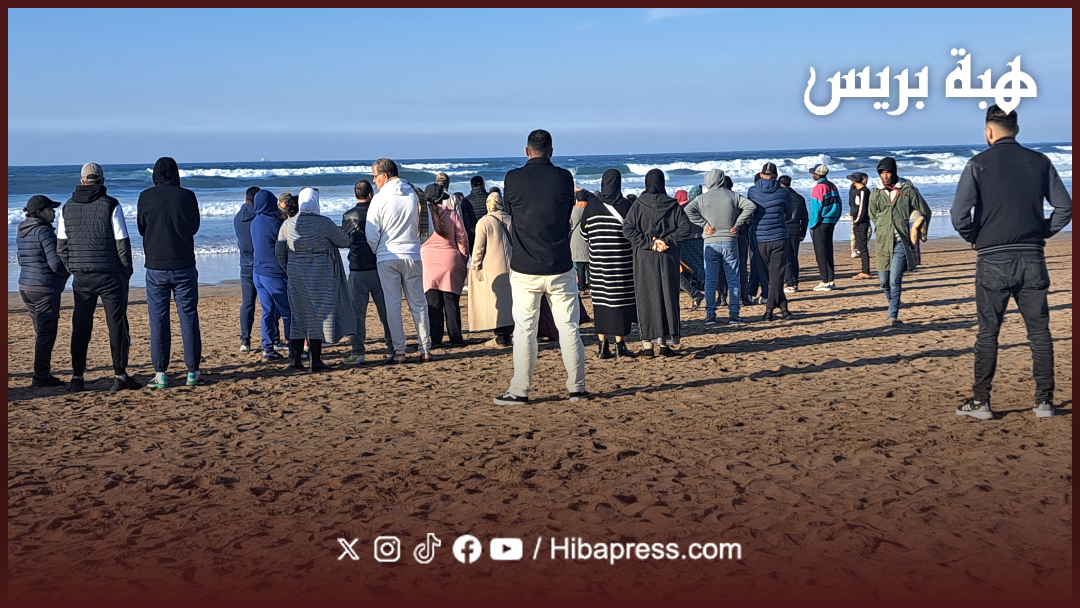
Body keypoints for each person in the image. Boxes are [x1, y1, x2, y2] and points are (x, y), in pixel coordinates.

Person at [950, 104, 1072, 420]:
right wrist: (1041, 231)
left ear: (988, 131)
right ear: (1016, 129)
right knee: (1040, 333)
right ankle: (1044, 402)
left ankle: (981, 402)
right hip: (1032, 256)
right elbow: (1064, 208)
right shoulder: (1041, 162)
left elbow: (958, 215)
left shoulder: (977, 164)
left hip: (992, 259)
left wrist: (975, 237)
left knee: (988, 332)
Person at [493, 129, 588, 404]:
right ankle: (577, 387)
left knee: (525, 331)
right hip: (559, 263)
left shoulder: (513, 178)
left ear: (526, 151)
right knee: (569, 328)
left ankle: (520, 390)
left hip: (525, 266)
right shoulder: (563, 177)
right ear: (552, 151)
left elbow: (511, 209)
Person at [57, 162, 140, 392]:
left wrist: (73, 267)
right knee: (116, 325)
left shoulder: (67, 207)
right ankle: (120, 375)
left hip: (81, 277)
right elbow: (122, 242)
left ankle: (77, 378)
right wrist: (126, 273)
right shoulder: (111, 204)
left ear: (83, 181)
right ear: (102, 180)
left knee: (81, 326)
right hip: (110, 275)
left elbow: (61, 247)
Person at [136, 157, 203, 389]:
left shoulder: (145, 197)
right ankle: (193, 372)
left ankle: (161, 373)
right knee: (188, 317)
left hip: (155, 266)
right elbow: (194, 226)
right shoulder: (187, 196)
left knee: (158, 320)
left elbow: (141, 227)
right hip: (184, 263)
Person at [276, 187, 355, 372]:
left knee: (299, 317)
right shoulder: (324, 224)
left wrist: (288, 269)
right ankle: (315, 360)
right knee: (320, 316)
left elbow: (279, 252)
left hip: (296, 275)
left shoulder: (287, 224)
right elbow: (344, 242)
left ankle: (295, 360)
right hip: (322, 275)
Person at [366, 158, 434, 364]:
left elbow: (371, 233)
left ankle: (400, 351)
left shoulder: (379, 199)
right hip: (412, 254)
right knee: (419, 304)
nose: (374, 181)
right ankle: (425, 349)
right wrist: (415, 244)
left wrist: (379, 250)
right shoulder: (417, 194)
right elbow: (428, 230)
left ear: (385, 176)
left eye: (375, 176)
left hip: (388, 257)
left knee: (393, 305)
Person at [623, 169, 692, 357]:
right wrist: (666, 241)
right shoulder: (672, 204)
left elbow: (627, 229)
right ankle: (665, 345)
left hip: (645, 258)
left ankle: (647, 346)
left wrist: (649, 243)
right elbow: (686, 228)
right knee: (667, 297)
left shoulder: (638, 205)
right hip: (667, 257)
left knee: (646, 298)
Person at [579, 169, 638, 358]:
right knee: (620, 305)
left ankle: (602, 346)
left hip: (598, 266)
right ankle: (620, 346)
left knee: (601, 305)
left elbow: (583, 233)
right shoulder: (626, 205)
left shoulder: (592, 205)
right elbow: (632, 234)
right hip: (622, 266)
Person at [685, 169, 755, 326]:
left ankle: (710, 316)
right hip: (730, 240)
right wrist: (738, 223)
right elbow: (750, 206)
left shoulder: (702, 198)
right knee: (733, 279)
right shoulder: (733, 195)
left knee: (710, 280)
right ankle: (734, 315)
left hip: (710, 242)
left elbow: (687, 210)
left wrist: (704, 225)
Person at [868, 157, 931, 328]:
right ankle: (893, 302)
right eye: (882, 173)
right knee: (883, 281)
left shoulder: (908, 190)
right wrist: (882, 225)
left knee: (895, 279)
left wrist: (919, 232)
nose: (885, 176)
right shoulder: (876, 193)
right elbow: (872, 214)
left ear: (894, 172)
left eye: (888, 172)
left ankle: (892, 314)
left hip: (901, 242)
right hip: (882, 242)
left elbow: (925, 210)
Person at [17, 195, 70, 387]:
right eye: (50, 209)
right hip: (43, 287)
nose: (54, 212)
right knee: (46, 332)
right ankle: (41, 375)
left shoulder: (22, 230)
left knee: (41, 331)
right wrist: (68, 274)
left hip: (25, 285)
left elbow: (22, 259)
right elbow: (55, 263)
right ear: (40, 212)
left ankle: (42, 372)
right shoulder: (44, 231)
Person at [341, 180, 394, 365]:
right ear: (370, 195)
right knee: (386, 312)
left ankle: (358, 351)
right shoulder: (378, 214)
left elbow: (344, 240)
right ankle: (393, 348)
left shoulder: (348, 215)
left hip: (357, 269)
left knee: (356, 314)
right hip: (379, 268)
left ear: (356, 195)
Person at [420, 183, 470, 347]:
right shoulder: (451, 214)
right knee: (451, 302)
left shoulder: (420, 217)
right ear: (442, 198)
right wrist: (462, 259)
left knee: (433, 303)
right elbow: (462, 239)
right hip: (450, 259)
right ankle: (455, 338)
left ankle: (435, 339)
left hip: (427, 261)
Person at [235, 186, 281, 352]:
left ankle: (245, 340)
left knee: (247, 304)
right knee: (270, 304)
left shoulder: (238, 217)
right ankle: (274, 339)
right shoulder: (261, 219)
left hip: (245, 265)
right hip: (261, 265)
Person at [747, 163, 793, 322]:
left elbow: (750, 211)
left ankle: (779, 309)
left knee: (772, 276)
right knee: (776, 276)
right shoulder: (783, 192)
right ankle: (772, 309)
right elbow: (790, 213)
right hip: (779, 236)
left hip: (760, 238)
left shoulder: (752, 191)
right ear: (775, 175)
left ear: (761, 174)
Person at [251, 189, 293, 362]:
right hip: (274, 273)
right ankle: (294, 348)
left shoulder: (254, 222)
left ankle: (267, 348)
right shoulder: (275, 224)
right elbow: (285, 246)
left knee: (267, 312)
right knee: (288, 313)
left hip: (258, 273)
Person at [469, 191, 515, 347]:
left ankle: (501, 337)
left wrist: (475, 267)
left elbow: (478, 249)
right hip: (513, 265)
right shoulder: (511, 219)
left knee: (497, 302)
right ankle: (513, 333)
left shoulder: (484, 222)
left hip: (493, 267)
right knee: (512, 301)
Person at [807, 163, 842, 291]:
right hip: (831, 221)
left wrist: (811, 225)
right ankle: (831, 279)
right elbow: (839, 203)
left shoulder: (818, 188)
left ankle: (825, 281)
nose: (812, 175)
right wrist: (835, 218)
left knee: (820, 252)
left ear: (818, 174)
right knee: (828, 250)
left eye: (813, 173)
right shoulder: (832, 185)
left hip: (821, 222)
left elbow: (815, 208)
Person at [677, 187, 706, 312]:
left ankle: (695, 293)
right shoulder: (704, 209)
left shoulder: (681, 211)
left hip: (686, 244)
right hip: (703, 241)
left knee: (673, 273)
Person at [779, 175, 808, 293]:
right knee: (793, 256)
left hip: (784, 228)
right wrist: (803, 233)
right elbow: (805, 217)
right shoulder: (799, 198)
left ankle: (790, 283)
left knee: (786, 257)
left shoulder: (781, 198)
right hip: (796, 229)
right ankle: (794, 282)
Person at [437, 171, 477, 247]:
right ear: (448, 183)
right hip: (451, 233)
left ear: (437, 182)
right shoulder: (453, 198)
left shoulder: (430, 197)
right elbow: (459, 219)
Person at [848, 172, 873, 279]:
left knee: (863, 247)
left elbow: (862, 208)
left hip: (861, 221)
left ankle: (865, 271)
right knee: (860, 245)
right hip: (856, 220)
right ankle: (864, 270)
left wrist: (857, 220)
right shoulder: (854, 190)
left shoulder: (864, 191)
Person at [570, 190, 590, 291]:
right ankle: (591, 285)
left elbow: (570, 224)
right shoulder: (590, 208)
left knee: (580, 266)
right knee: (590, 266)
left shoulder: (573, 210)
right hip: (588, 237)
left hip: (576, 239)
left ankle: (581, 287)